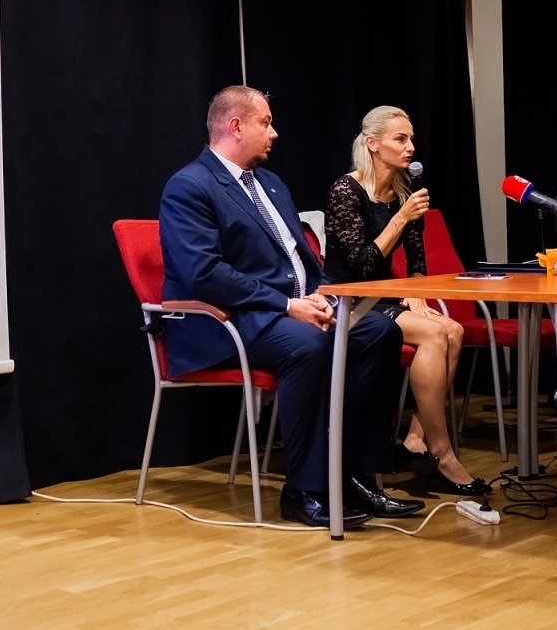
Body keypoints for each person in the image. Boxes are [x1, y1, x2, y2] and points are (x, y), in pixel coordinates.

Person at [159, 85, 424, 528]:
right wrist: (287, 304)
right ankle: (304, 490)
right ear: (235, 126)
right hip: (231, 321)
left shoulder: (271, 184)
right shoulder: (190, 186)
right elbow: (203, 273)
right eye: (265, 123)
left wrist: (323, 293)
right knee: (307, 345)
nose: (274, 133)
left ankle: (355, 475)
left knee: (380, 331)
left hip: (291, 311)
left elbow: (302, 260)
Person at [325, 106, 490, 497]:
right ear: (373, 143)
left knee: (453, 329)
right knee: (434, 334)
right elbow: (362, 266)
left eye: (411, 138)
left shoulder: (403, 193)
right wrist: (400, 218)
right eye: (400, 139)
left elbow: (418, 262)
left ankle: (416, 439)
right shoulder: (345, 191)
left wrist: (415, 290)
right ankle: (442, 454)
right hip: (349, 301)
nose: (410, 147)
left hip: (386, 296)